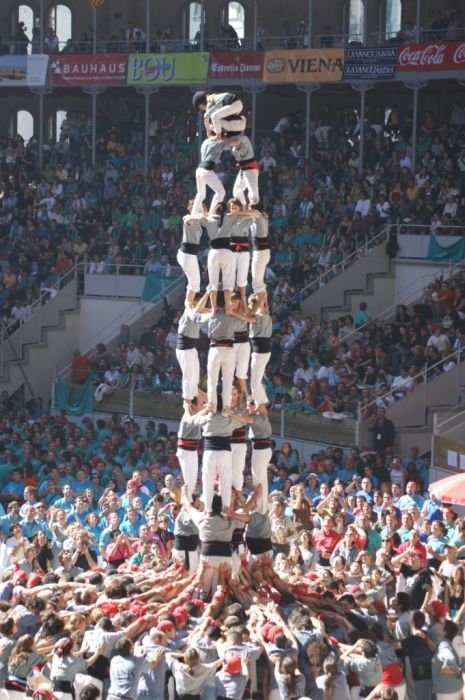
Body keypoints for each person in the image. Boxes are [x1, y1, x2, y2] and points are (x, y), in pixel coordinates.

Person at [191, 138, 226, 216]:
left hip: (199, 169)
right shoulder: (218, 142)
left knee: (201, 194)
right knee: (221, 191)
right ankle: (211, 213)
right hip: (206, 170)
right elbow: (229, 143)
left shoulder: (205, 142)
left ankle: (193, 213)